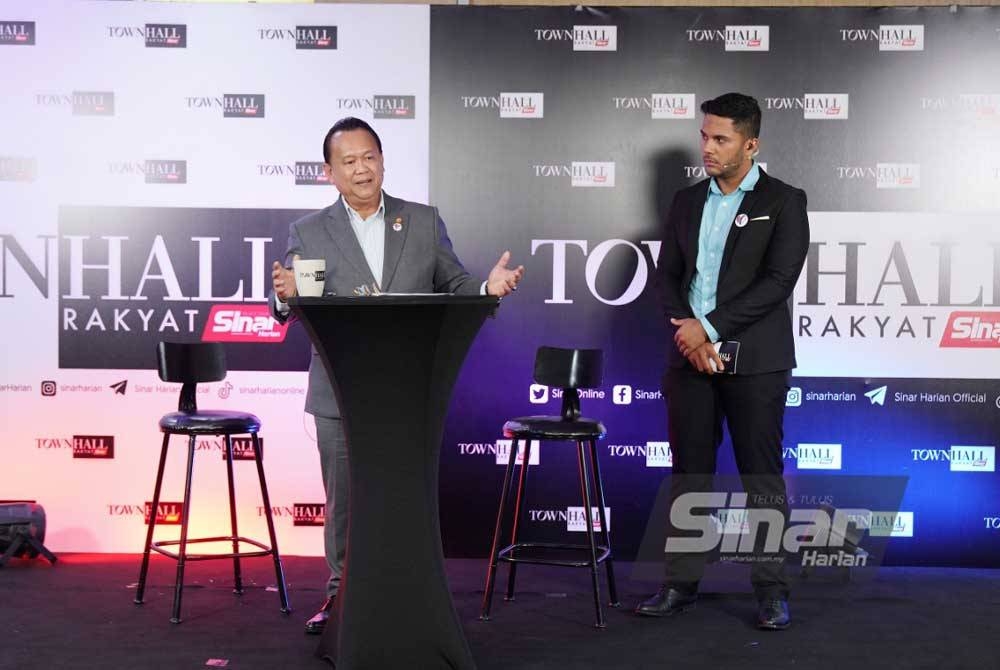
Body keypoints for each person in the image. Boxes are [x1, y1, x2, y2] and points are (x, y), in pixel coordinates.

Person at [269, 117, 524, 634]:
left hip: (408, 394)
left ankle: (406, 597)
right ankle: (340, 598)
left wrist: (487, 289)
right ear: (330, 172)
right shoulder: (308, 231)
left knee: (404, 500)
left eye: (370, 157)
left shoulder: (423, 221)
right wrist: (283, 293)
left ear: (382, 161)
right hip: (339, 394)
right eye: (349, 161)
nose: (362, 169)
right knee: (344, 501)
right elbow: (292, 302)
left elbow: (456, 283)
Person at [635, 93, 810, 630]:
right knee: (690, 475)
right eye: (704, 136)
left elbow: (778, 282)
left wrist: (708, 327)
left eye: (721, 139)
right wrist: (690, 334)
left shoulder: (784, 201)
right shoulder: (688, 201)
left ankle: (771, 592)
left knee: (761, 479)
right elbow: (666, 275)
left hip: (755, 362)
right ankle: (680, 584)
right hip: (689, 359)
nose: (707, 147)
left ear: (750, 144)